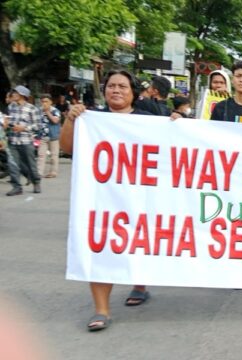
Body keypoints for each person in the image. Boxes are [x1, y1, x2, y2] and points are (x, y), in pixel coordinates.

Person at [62, 69, 156, 331]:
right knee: (100, 247)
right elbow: (68, 148)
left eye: (123, 87)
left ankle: (140, 284)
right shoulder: (92, 119)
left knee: (140, 243)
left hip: (140, 196)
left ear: (133, 93)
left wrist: (176, 119)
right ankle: (101, 310)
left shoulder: (149, 121)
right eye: (111, 86)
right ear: (104, 91)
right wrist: (71, 119)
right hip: (101, 197)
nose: (116, 90)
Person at [6, 85, 41, 195]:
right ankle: (17, 187)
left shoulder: (32, 108)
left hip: (26, 141)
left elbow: (37, 126)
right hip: (13, 140)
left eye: (16, 93)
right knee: (13, 164)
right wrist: (8, 124)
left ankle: (36, 183)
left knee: (31, 164)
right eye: (13, 93)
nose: (14, 95)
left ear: (23, 95)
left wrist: (24, 128)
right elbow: (10, 122)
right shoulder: (11, 107)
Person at [36, 94, 61, 178]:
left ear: (51, 102)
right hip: (43, 136)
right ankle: (39, 173)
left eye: (46, 101)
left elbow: (55, 120)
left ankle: (53, 172)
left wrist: (47, 112)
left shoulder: (55, 111)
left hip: (53, 136)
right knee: (41, 155)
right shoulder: (39, 111)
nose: (44, 103)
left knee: (54, 156)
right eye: (43, 102)